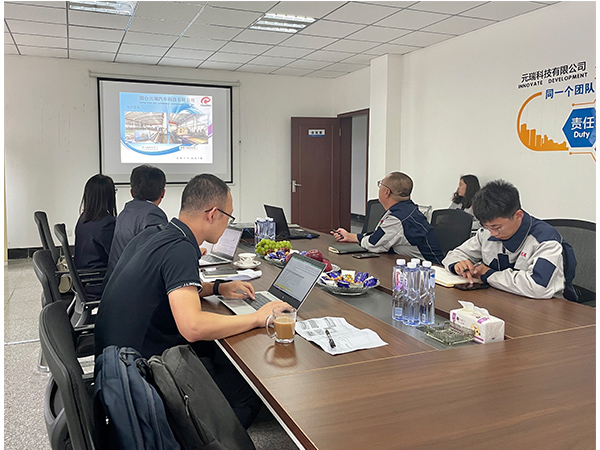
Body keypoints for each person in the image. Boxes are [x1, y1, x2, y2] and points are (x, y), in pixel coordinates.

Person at [95, 173, 288, 428]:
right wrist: (257, 317)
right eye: (229, 217)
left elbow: (165, 287)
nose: (228, 224)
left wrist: (218, 287)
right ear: (213, 214)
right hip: (140, 376)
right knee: (249, 388)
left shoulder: (156, 234)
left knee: (216, 354)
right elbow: (192, 327)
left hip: (114, 362)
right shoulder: (181, 249)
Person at [442, 180, 577, 301]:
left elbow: (538, 286)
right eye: (486, 226)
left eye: (497, 227)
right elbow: (455, 254)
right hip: (503, 299)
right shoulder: (487, 232)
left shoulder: (545, 240)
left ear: (518, 215)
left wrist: (488, 274)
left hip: (547, 309)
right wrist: (458, 265)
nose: (492, 233)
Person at [331, 172, 444, 265]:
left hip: (430, 270)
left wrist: (356, 238)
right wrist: (349, 236)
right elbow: (378, 236)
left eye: (380, 185)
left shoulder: (398, 219)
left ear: (387, 192)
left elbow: (373, 244)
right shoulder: (405, 209)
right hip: (408, 262)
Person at [107, 164, 168, 273]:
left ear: (132, 193)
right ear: (162, 193)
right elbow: (161, 256)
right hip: (136, 280)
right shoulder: (154, 216)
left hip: (117, 279)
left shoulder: (125, 212)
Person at [74, 174, 117, 299]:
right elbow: (116, 256)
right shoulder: (107, 223)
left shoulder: (83, 218)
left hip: (84, 279)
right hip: (98, 280)